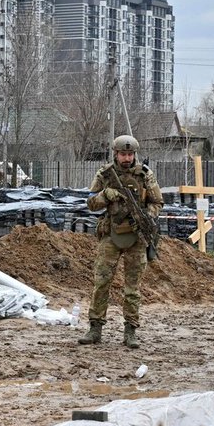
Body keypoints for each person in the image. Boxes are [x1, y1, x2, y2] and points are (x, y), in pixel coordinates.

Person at [77, 135, 163, 349]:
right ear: (116, 154)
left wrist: (146, 217)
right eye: (123, 154)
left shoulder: (145, 174)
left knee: (132, 288)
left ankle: (130, 330)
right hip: (111, 235)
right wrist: (106, 195)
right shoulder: (105, 174)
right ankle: (95, 328)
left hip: (136, 237)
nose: (127, 158)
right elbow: (90, 203)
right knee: (102, 282)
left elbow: (157, 202)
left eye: (130, 154)